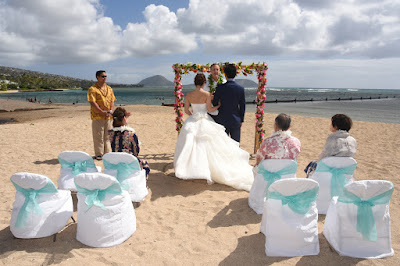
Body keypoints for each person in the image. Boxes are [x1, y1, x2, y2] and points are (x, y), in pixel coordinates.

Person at [174, 73, 254, 191]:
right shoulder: (207, 94)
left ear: (195, 82)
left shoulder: (189, 95)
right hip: (205, 119)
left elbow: (186, 110)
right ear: (204, 83)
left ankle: (192, 169)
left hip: (193, 119)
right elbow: (210, 109)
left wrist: (193, 116)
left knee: (192, 145)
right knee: (207, 144)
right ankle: (207, 169)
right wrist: (218, 106)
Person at [109, 107, 150, 176]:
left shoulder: (110, 134)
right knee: (145, 165)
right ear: (124, 118)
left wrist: (124, 118)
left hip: (116, 161)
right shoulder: (131, 134)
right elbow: (136, 151)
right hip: (129, 162)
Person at [212, 64, 246, 143]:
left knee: (223, 145)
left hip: (222, 119)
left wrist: (219, 104)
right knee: (236, 144)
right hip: (236, 120)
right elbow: (242, 106)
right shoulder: (240, 89)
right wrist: (241, 120)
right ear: (235, 74)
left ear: (225, 74)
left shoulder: (220, 88)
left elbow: (214, 103)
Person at [87, 70, 116, 160]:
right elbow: (93, 102)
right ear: (97, 77)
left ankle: (107, 153)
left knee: (108, 136)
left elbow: (112, 100)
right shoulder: (92, 89)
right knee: (98, 136)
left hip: (108, 116)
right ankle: (99, 154)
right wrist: (100, 111)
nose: (105, 78)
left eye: (105, 76)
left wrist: (111, 110)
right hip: (97, 116)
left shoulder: (109, 89)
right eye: (103, 76)